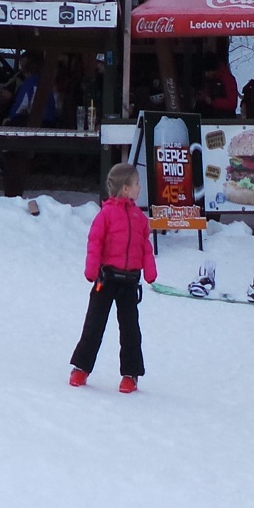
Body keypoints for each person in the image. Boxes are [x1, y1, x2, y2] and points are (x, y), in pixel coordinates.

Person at [69, 162, 157, 392]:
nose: (140, 187)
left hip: (129, 282)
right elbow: (95, 242)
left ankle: (130, 373)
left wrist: (149, 271)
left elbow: (145, 246)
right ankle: (81, 367)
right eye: (137, 184)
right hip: (106, 279)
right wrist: (92, 269)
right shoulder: (105, 215)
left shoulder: (139, 218)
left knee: (130, 330)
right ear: (126, 189)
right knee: (94, 325)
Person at [200, 53, 238, 118]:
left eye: (208, 72)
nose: (206, 74)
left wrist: (213, 102)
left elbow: (232, 103)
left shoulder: (227, 79)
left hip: (225, 118)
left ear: (214, 70)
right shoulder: (211, 80)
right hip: (213, 116)